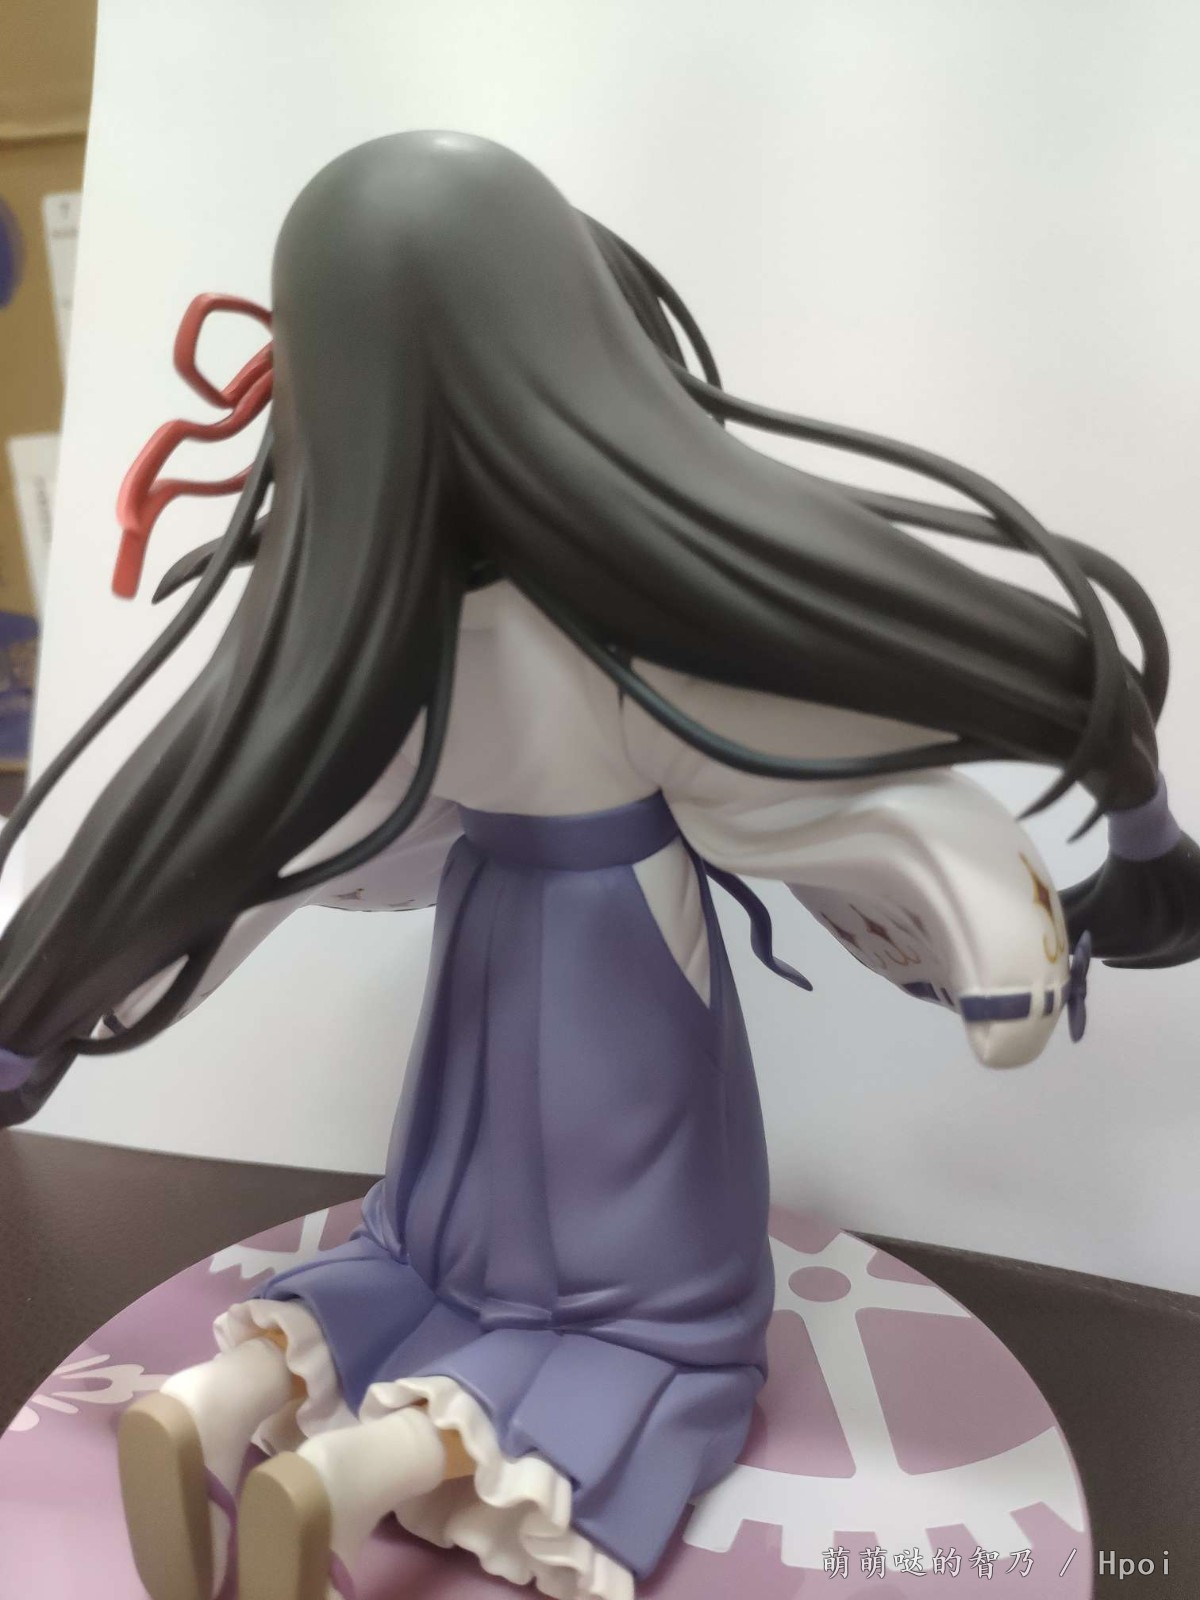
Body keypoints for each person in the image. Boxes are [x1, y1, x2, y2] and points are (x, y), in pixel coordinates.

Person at [0, 131, 1195, 1600]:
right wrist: (995, 935)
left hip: (486, 946)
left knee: (442, 1251)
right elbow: (812, 780)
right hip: (627, 952)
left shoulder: (376, 649)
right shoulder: (626, 636)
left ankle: (214, 1406)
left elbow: (264, 855)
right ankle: (349, 1477)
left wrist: (68, 997)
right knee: (650, 1309)